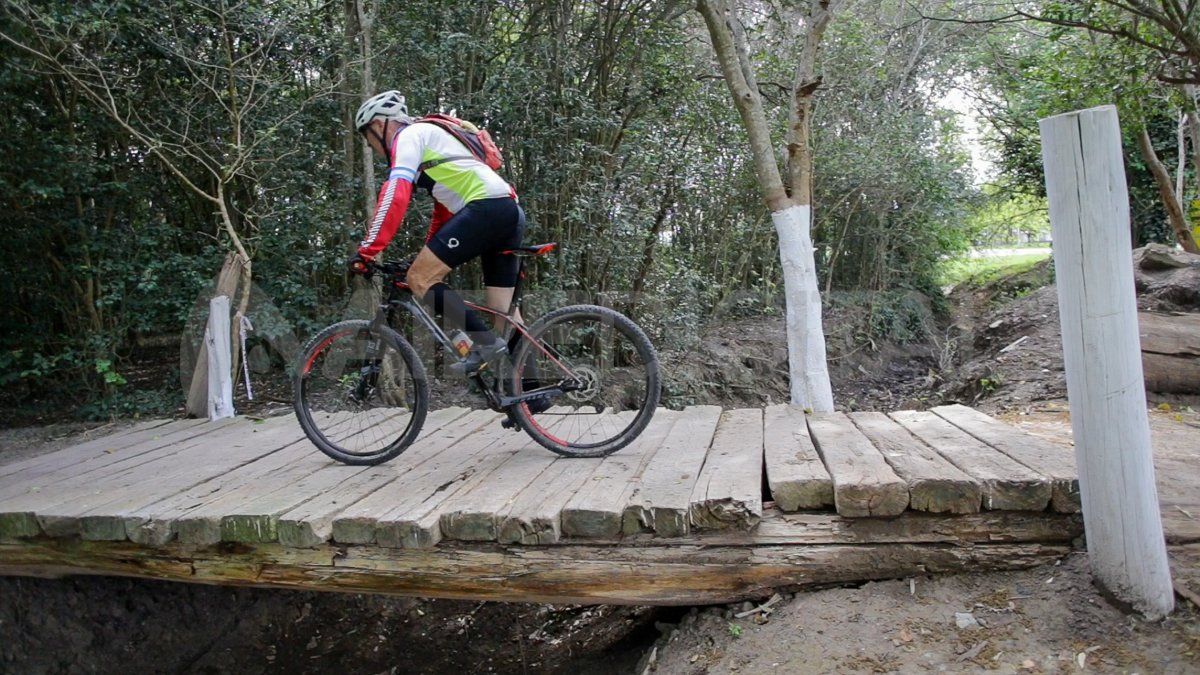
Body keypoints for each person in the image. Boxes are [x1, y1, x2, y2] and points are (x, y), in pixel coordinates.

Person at [348, 90, 523, 375]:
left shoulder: (409, 135)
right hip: (507, 210)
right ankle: (532, 393)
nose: (372, 147)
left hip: (487, 209)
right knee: (503, 310)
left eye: (368, 140)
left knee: (419, 278)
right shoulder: (432, 139)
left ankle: (485, 344)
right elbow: (445, 210)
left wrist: (368, 250)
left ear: (378, 125)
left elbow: (396, 192)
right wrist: (429, 250)